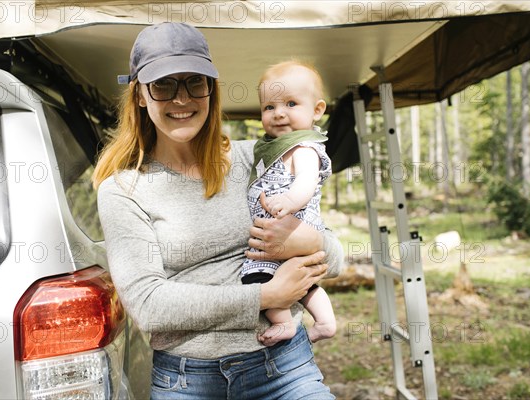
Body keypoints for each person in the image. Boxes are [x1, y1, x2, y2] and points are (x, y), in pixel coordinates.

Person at [93, 22, 343, 399]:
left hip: (283, 369)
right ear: (141, 96)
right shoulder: (123, 190)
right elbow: (148, 304)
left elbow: (337, 258)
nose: (181, 99)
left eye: (195, 81)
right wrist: (266, 297)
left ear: (211, 89)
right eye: (163, 85)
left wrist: (307, 241)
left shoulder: (252, 159)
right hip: (186, 381)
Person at [242, 60, 337, 347]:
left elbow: (306, 182)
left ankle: (283, 322)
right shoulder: (272, 149)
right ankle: (325, 321)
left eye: (291, 104)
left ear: (317, 110)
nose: (278, 113)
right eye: (269, 107)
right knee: (304, 282)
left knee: (258, 280)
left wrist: (290, 201)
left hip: (295, 225)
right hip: (279, 231)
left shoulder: (303, 147)